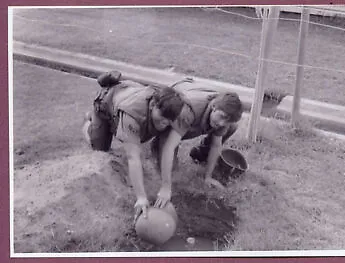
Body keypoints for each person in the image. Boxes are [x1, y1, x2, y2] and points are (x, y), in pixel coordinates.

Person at [82, 70, 186, 222]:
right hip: (107, 101)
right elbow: (133, 157)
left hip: (130, 91)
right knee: (99, 147)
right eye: (162, 117)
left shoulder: (173, 108)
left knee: (141, 137)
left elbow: (169, 146)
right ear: (153, 106)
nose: (165, 122)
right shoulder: (132, 114)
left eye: (169, 120)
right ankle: (90, 120)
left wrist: (166, 186)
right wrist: (141, 197)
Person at [151, 85, 244, 202]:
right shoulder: (189, 111)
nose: (221, 123)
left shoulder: (222, 117)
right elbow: (169, 147)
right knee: (173, 174)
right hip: (170, 129)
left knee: (231, 127)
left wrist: (208, 177)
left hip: (187, 127)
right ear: (214, 107)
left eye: (226, 120)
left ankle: (200, 153)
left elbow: (216, 145)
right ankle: (156, 146)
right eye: (222, 117)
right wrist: (166, 187)